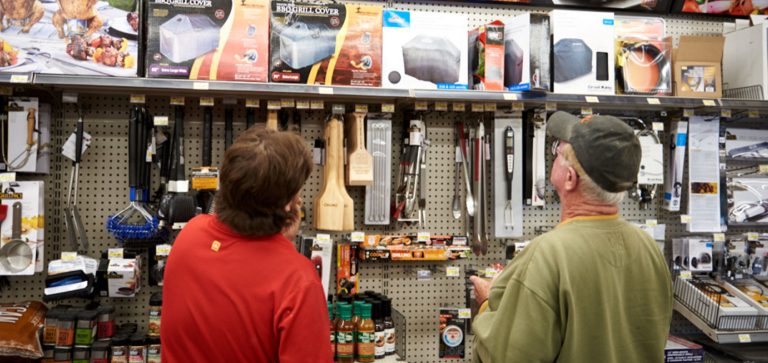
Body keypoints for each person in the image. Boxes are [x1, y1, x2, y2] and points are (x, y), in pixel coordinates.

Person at [470, 112, 673, 363]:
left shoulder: (547, 254)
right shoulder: (648, 248)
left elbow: (508, 356)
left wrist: (486, 305)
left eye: (557, 151)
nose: (553, 155)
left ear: (570, 178)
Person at [161, 126, 333, 363]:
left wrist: (277, 243)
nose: (299, 198)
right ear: (286, 206)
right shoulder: (299, 282)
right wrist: (281, 251)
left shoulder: (190, 235)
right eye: (296, 191)